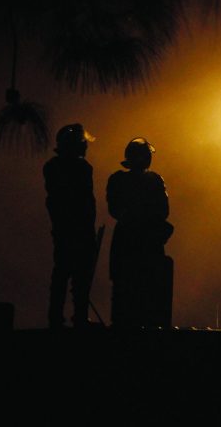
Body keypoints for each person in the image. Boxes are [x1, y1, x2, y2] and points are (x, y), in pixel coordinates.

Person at [107, 137, 173, 329]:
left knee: (123, 287)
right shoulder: (154, 180)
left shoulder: (117, 179)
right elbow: (163, 210)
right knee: (146, 286)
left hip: (127, 238)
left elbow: (115, 209)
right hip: (147, 240)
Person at [43, 124, 97, 329]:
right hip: (73, 228)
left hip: (67, 228)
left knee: (68, 273)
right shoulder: (78, 168)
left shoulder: (54, 167)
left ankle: (60, 316)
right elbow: (81, 202)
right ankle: (73, 316)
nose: (85, 146)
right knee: (73, 274)